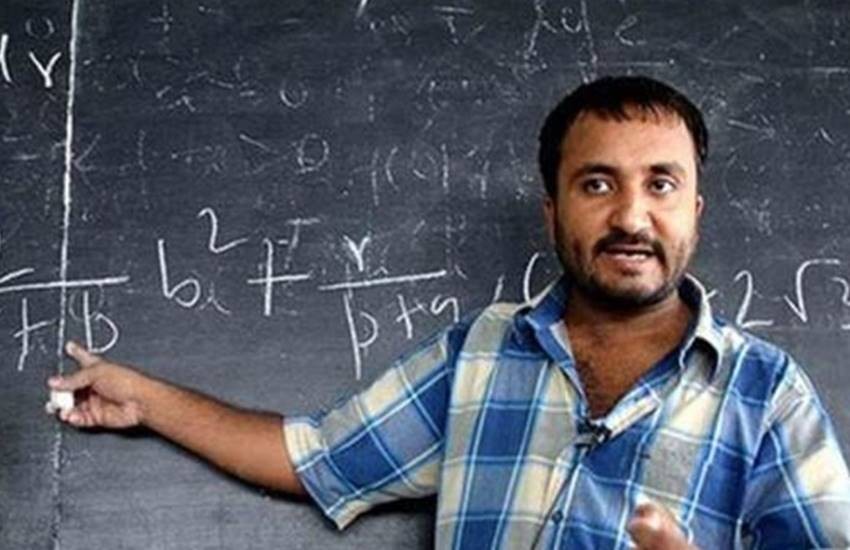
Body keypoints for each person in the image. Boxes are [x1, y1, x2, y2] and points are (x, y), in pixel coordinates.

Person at [47, 76, 850, 548]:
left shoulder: (765, 394)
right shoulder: (481, 353)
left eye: (661, 184)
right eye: (597, 183)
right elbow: (315, 456)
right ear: (553, 212)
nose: (631, 216)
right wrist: (145, 399)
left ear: (695, 211)